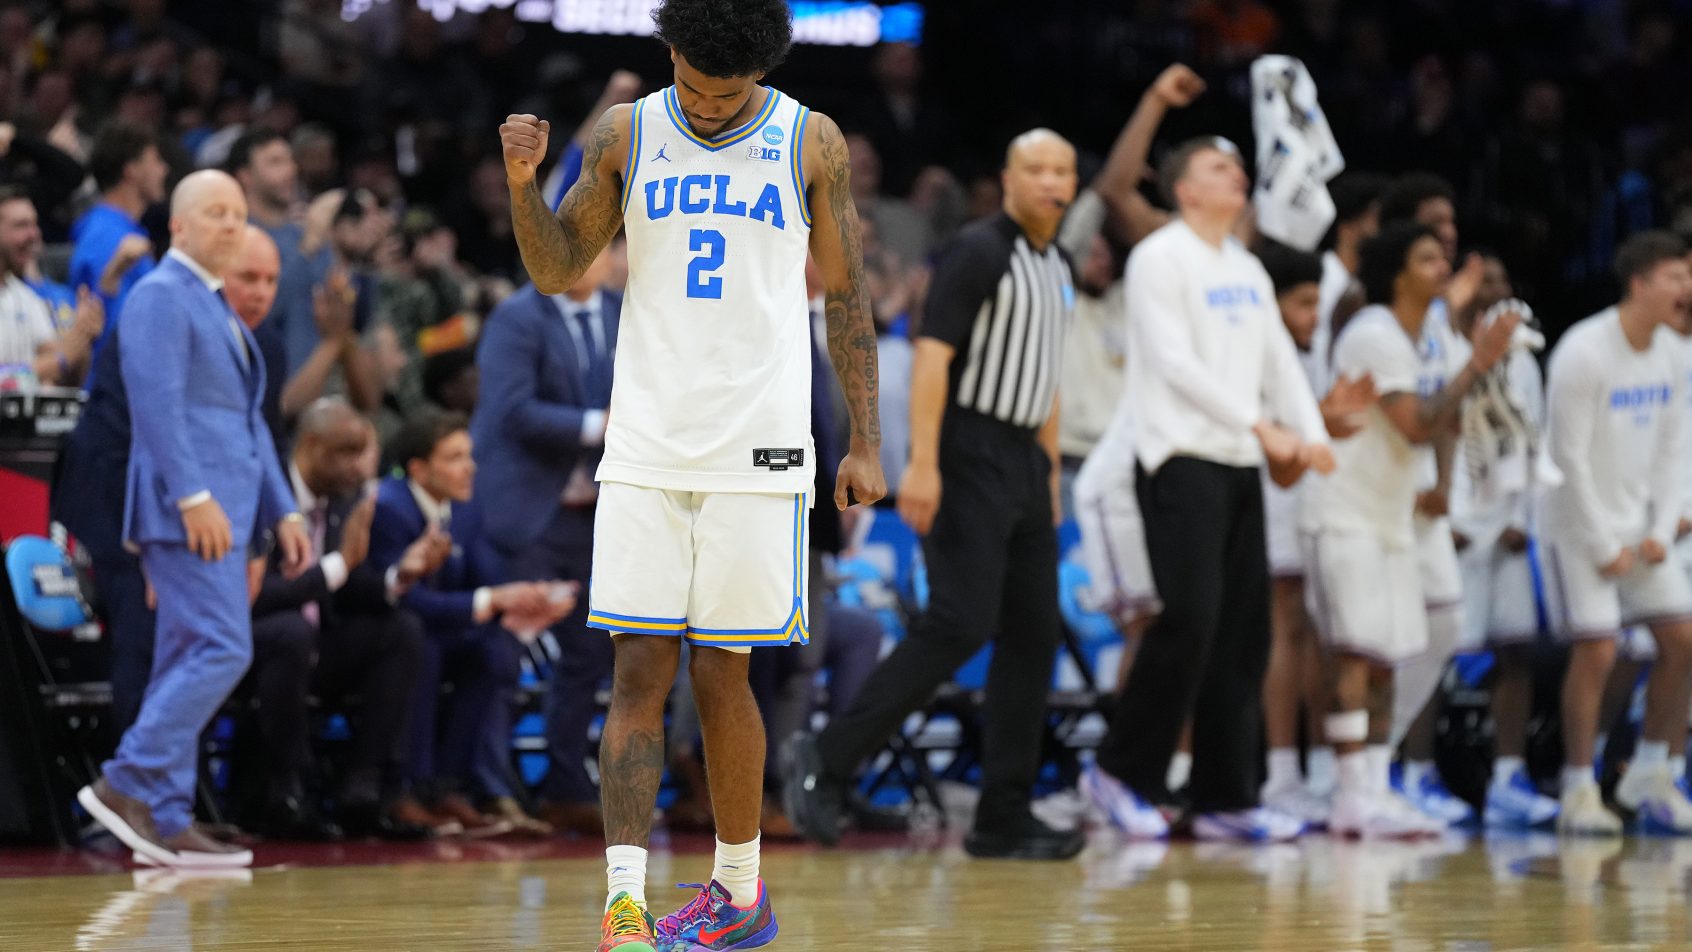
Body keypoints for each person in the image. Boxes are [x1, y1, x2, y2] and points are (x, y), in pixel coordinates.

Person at [499, 0, 885, 947]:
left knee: (724, 670)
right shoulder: (625, 133)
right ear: (668, 50)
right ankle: (624, 905)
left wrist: (866, 439)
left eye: (730, 93)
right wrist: (521, 185)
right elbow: (558, 270)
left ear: (764, 70)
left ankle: (739, 895)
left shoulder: (811, 139)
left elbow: (846, 293)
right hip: (646, 442)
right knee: (637, 668)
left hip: (760, 447)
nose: (710, 107)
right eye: (697, 88)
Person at [787, 126, 1084, 861]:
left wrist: (1048, 470)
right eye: (1036, 169)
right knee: (959, 622)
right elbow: (932, 356)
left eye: (1063, 170)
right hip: (968, 448)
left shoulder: (1059, 263)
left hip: (1024, 457)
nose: (1051, 182)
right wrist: (922, 463)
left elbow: (1046, 375)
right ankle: (827, 756)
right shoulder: (978, 251)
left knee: (1034, 636)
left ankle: (1003, 813)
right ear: (1008, 180)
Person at [1080, 137, 1332, 843]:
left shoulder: (1246, 268)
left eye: (1238, 167)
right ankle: (1118, 773)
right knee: (1187, 619)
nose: (1237, 175)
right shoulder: (1160, 257)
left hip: (1238, 462)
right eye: (1219, 168)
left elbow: (1279, 360)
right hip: (1178, 457)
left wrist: (1312, 433)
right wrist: (1261, 425)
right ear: (1184, 189)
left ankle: (1226, 796)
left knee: (1243, 633)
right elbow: (1173, 363)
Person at [75, 169, 310, 868]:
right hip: (191, 510)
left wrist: (283, 507)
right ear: (178, 225)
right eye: (215, 212)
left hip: (226, 508)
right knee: (222, 648)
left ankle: (167, 814)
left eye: (238, 212)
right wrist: (191, 497)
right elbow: (156, 407)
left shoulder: (210, 301)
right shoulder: (158, 294)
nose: (231, 223)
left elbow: (248, 422)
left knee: (185, 654)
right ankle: (126, 782)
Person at [1302, 221, 1518, 837]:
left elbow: (1446, 418)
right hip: (1345, 511)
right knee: (1355, 653)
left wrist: (1444, 482)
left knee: (1387, 658)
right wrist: (1478, 362)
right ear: (1397, 273)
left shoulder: (1427, 334)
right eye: (1427, 259)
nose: (1442, 267)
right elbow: (1418, 422)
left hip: (1392, 513)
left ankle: (1375, 788)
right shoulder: (1373, 333)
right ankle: (1347, 792)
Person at [1541, 231, 1692, 836]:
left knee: (1683, 641)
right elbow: (1567, 459)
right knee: (1599, 648)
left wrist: (1660, 527)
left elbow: (1674, 450)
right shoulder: (1583, 351)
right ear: (1640, 284)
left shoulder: (1672, 354)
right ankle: (1578, 787)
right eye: (1676, 277)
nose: (1687, 288)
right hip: (1577, 524)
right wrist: (1603, 544)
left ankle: (1650, 773)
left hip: (1639, 526)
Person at [247, 398, 446, 842]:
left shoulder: (345, 501)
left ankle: (365, 789)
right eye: (345, 452)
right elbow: (255, 597)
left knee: (401, 631)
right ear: (310, 446)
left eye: (361, 453)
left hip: (315, 643)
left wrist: (399, 576)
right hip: (257, 644)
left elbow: (349, 588)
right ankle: (287, 793)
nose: (358, 466)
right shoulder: (264, 494)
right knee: (292, 633)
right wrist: (339, 564)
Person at [372, 411, 575, 837]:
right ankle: (407, 789)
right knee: (421, 647)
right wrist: (491, 599)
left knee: (490, 653)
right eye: (455, 457)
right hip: (381, 634)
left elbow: (487, 578)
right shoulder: (389, 507)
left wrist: (531, 599)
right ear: (418, 469)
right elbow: (403, 598)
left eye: (469, 455)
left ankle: (449, 787)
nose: (470, 467)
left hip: (436, 630)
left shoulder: (464, 509)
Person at [472, 248, 619, 837]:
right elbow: (512, 411)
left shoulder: (625, 311)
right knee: (507, 651)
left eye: (599, 245)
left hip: (595, 515)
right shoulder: (517, 316)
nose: (588, 258)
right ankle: (491, 788)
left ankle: (564, 786)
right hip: (530, 512)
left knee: (592, 651)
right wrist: (601, 425)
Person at [1252, 238, 1375, 828]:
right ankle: (1281, 772)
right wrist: (1322, 420)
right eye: (1301, 303)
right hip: (1272, 494)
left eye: (1315, 304)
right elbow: (1272, 433)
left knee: (1318, 634)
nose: (1312, 316)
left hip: (1312, 495)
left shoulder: (1308, 350)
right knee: (1286, 629)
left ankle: (1323, 769)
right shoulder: (1258, 350)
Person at [1447, 254, 1559, 828]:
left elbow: (1534, 436)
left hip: (1509, 522)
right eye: (1482, 281)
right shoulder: (1443, 350)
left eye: (1501, 281)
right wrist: (1448, 516)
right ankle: (1411, 771)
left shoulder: (1525, 356)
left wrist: (1524, 517)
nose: (1493, 291)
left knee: (1515, 650)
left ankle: (1508, 777)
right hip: (1456, 523)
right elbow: (1436, 434)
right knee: (1437, 651)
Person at [68, 123, 168, 374]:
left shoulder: (123, 231)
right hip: (114, 386)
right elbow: (112, 331)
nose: (163, 170)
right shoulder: (106, 237)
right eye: (155, 160)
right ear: (131, 170)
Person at [0, 185, 103, 386]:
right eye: (21, 225)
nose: (34, 235)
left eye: (34, 224)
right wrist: (60, 360)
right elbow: (59, 361)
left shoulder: (26, 298)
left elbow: (66, 378)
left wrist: (82, 337)